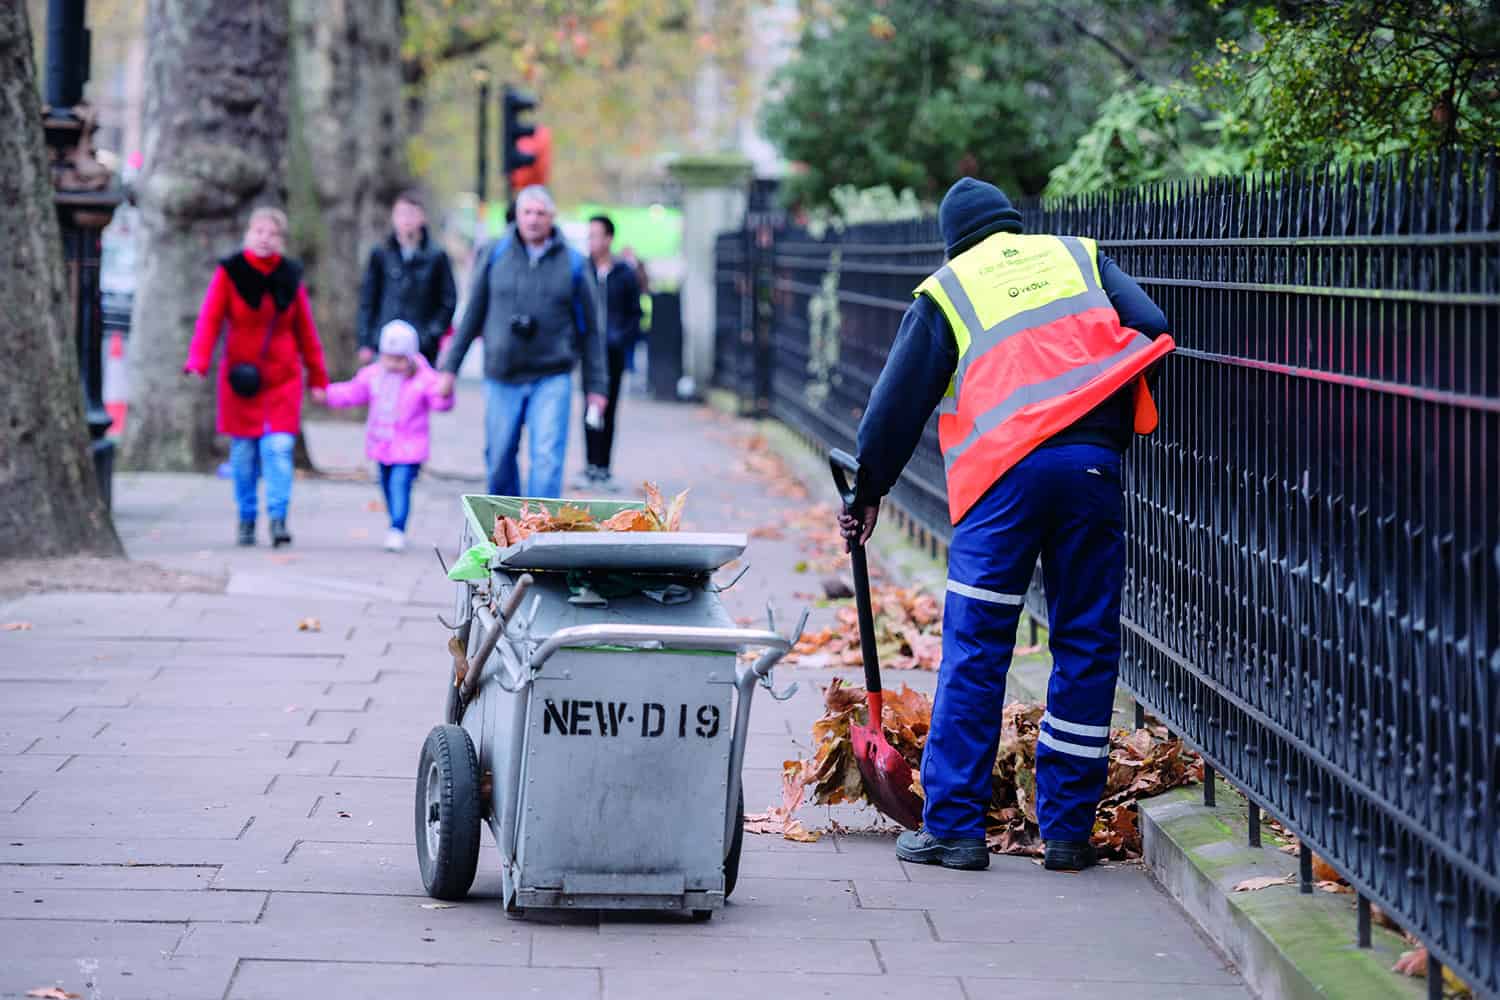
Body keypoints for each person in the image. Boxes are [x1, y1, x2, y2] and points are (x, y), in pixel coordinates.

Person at [839, 178, 1174, 873]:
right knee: (1084, 640)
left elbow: (898, 402)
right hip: (1089, 471)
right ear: (1013, 224)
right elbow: (1149, 322)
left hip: (1004, 485)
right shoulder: (1078, 257)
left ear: (954, 240)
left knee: (978, 644)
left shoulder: (951, 288)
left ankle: (955, 829)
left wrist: (868, 490)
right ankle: (1068, 833)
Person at [439, 185, 607, 498]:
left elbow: (592, 331)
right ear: (517, 215)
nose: (533, 220)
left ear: (551, 218)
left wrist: (597, 387)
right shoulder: (495, 253)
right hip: (502, 374)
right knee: (499, 457)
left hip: (552, 375)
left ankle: (538, 536)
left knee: (546, 459)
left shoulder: (573, 262)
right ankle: (505, 528)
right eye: (527, 212)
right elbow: (472, 314)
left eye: (540, 213)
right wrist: (450, 369)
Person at [185, 206, 329, 548]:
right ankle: (247, 518)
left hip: (283, 378)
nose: (265, 238)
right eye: (259, 231)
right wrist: (198, 360)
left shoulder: (291, 275)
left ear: (281, 240)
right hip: (241, 380)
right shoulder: (230, 272)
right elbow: (210, 319)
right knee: (243, 454)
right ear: (249, 234)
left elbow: (306, 331)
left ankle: (278, 518)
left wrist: (318, 378)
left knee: (278, 449)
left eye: (272, 233)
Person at [313, 320, 454, 552]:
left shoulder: (423, 378)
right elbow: (352, 391)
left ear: (410, 356)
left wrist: (445, 394)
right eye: (388, 357)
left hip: (410, 447)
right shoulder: (374, 375)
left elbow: (438, 400)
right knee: (387, 486)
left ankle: (397, 527)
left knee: (400, 484)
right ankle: (394, 522)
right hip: (382, 445)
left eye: (399, 359)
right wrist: (327, 395)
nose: (393, 364)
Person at [572, 214, 643, 490]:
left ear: (609, 239)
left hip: (613, 352)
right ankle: (590, 464)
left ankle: (604, 467)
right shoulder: (582, 270)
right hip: (589, 351)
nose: (591, 241)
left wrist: (620, 338)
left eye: (595, 235)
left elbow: (635, 314)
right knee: (589, 405)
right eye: (588, 235)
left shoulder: (625, 274)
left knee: (609, 407)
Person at [357, 190, 457, 367]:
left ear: (422, 218)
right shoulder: (381, 254)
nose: (407, 220)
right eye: (402, 214)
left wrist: (430, 336)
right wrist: (366, 341)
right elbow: (368, 299)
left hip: (421, 350)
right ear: (393, 218)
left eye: (412, 213)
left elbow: (448, 302)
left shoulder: (437, 256)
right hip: (384, 346)